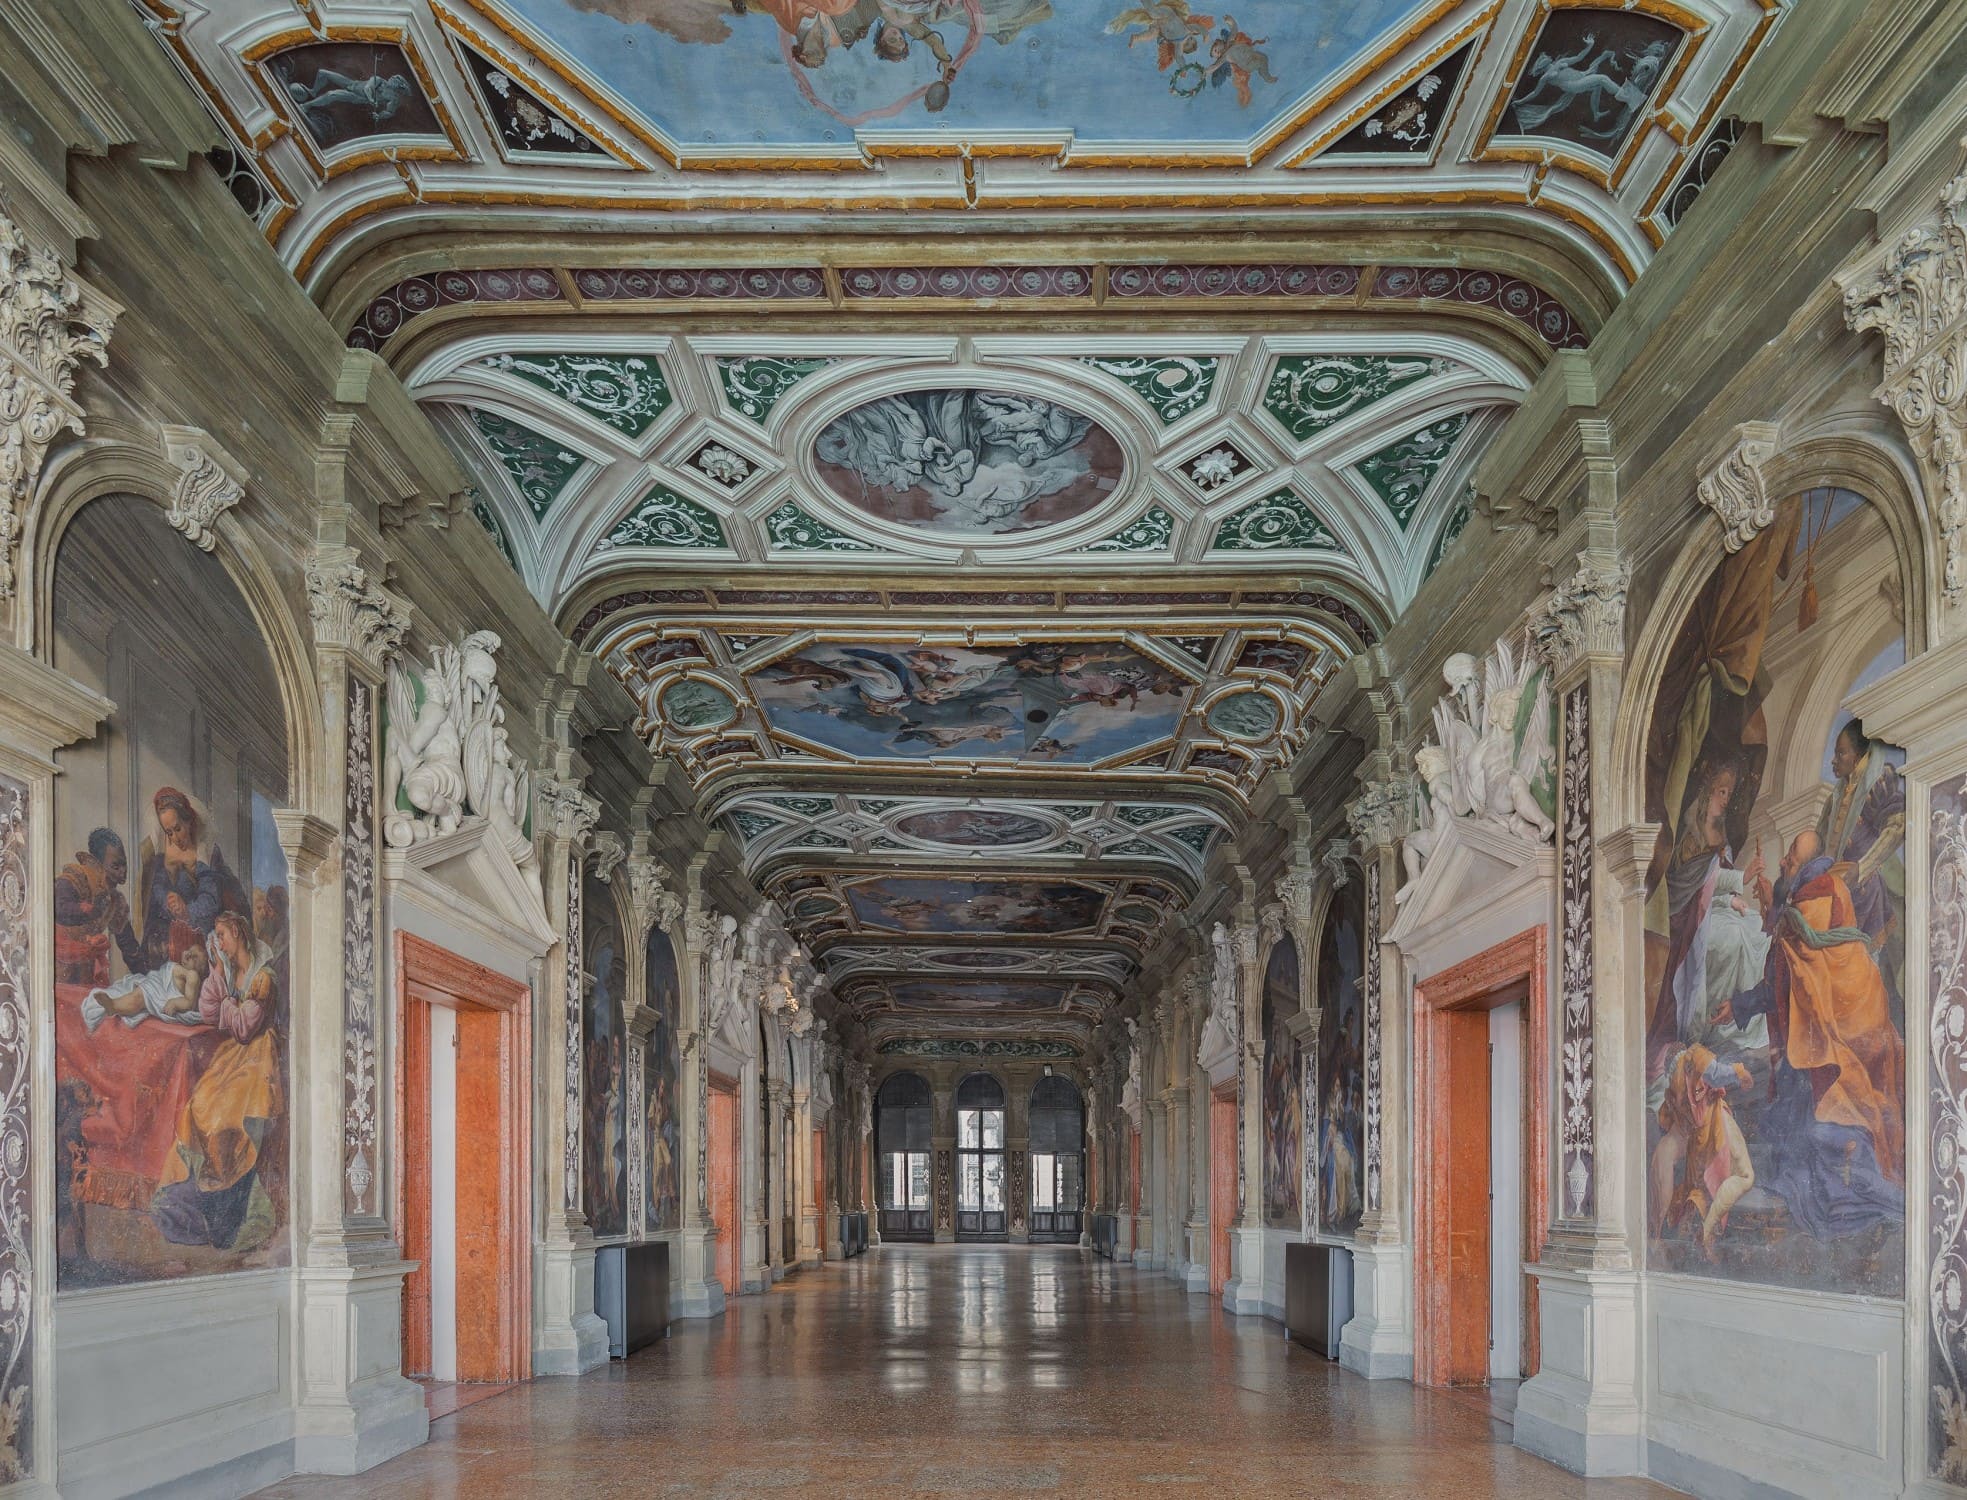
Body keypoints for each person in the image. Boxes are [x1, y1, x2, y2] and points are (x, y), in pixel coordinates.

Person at [1720, 830, 1905, 1239]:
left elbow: (1793, 968)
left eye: (1790, 854)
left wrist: (1742, 1002)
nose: (1784, 860)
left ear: (1806, 863)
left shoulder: (1815, 898)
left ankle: (1842, 1207)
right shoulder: (1815, 897)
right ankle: (1825, 1203)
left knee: (1827, 1120)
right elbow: (1792, 971)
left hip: (1828, 1037)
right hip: (1830, 1030)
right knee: (1816, 1118)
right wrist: (1740, 1004)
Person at [152, 911, 284, 1250]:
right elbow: (211, 1013)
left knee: (225, 1118)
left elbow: (244, 1028)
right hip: (235, 1056)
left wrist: (228, 1001)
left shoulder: (263, 977)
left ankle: (231, 1205)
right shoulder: (232, 971)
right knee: (198, 1105)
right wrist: (218, 974)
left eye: (222, 936)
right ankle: (202, 1194)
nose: (220, 943)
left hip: (258, 1058)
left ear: (237, 932)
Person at [1651, 1043, 1754, 1255]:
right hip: (1716, 1123)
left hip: (1698, 1141)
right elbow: (1715, 1074)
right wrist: (1740, 1072)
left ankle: (1697, 1237)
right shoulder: (1693, 1056)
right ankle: (1708, 1230)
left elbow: (1666, 1121)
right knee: (1745, 1176)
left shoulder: (1673, 1090)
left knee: (1703, 1192)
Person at [55, 827, 142, 984]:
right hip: (59, 962)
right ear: (97, 863)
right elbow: (58, 908)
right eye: (116, 866)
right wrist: (88, 911)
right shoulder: (77, 876)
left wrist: (149, 976)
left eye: (124, 865)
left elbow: (129, 946)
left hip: (85, 968)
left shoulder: (115, 901)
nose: (123, 872)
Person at [81, 943, 209, 1033]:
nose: (188, 955)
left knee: (139, 997)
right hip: (156, 984)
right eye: (189, 950)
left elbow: (189, 1003)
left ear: (201, 968)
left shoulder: (192, 975)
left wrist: (175, 1003)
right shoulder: (182, 969)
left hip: (158, 991)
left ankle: (114, 1006)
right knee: (134, 992)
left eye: (194, 957)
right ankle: (114, 1003)